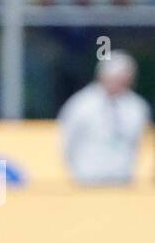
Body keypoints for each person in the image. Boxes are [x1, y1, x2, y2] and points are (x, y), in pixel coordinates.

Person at [58, 52, 152, 186]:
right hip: (87, 180)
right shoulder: (81, 104)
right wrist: (75, 172)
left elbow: (140, 143)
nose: (118, 81)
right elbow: (68, 141)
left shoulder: (137, 107)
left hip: (123, 180)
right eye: (114, 77)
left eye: (123, 77)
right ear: (102, 76)